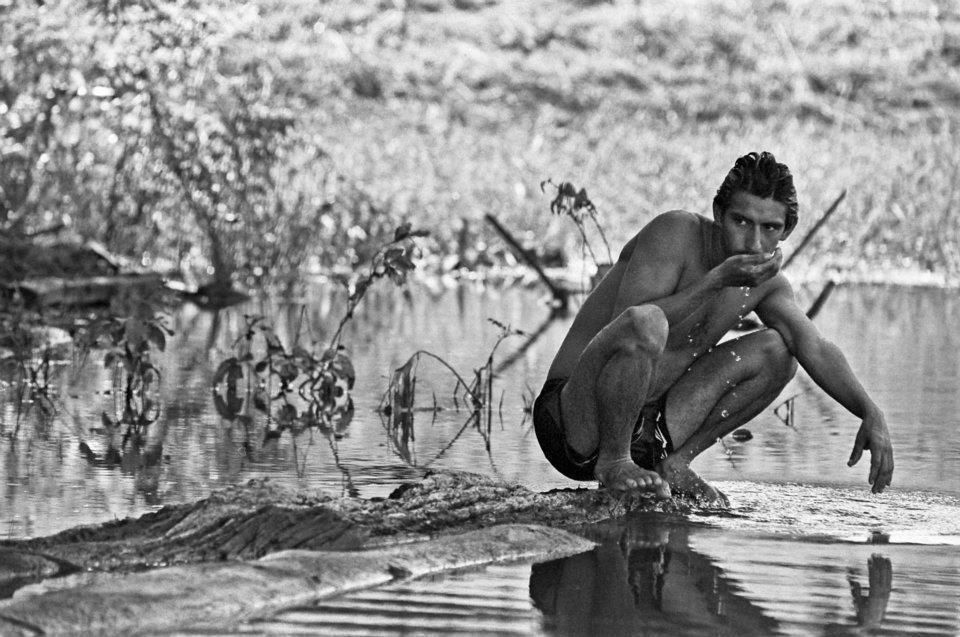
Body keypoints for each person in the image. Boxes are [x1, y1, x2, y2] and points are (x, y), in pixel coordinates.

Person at [533, 151, 894, 505]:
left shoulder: (768, 284)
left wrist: (870, 412)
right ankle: (614, 463)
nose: (753, 242)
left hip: (649, 425)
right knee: (648, 321)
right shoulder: (674, 232)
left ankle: (675, 462)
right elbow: (630, 326)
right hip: (573, 420)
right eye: (741, 222)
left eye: (769, 228)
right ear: (718, 214)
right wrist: (716, 280)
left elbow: (814, 345)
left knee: (780, 351)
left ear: (786, 231)